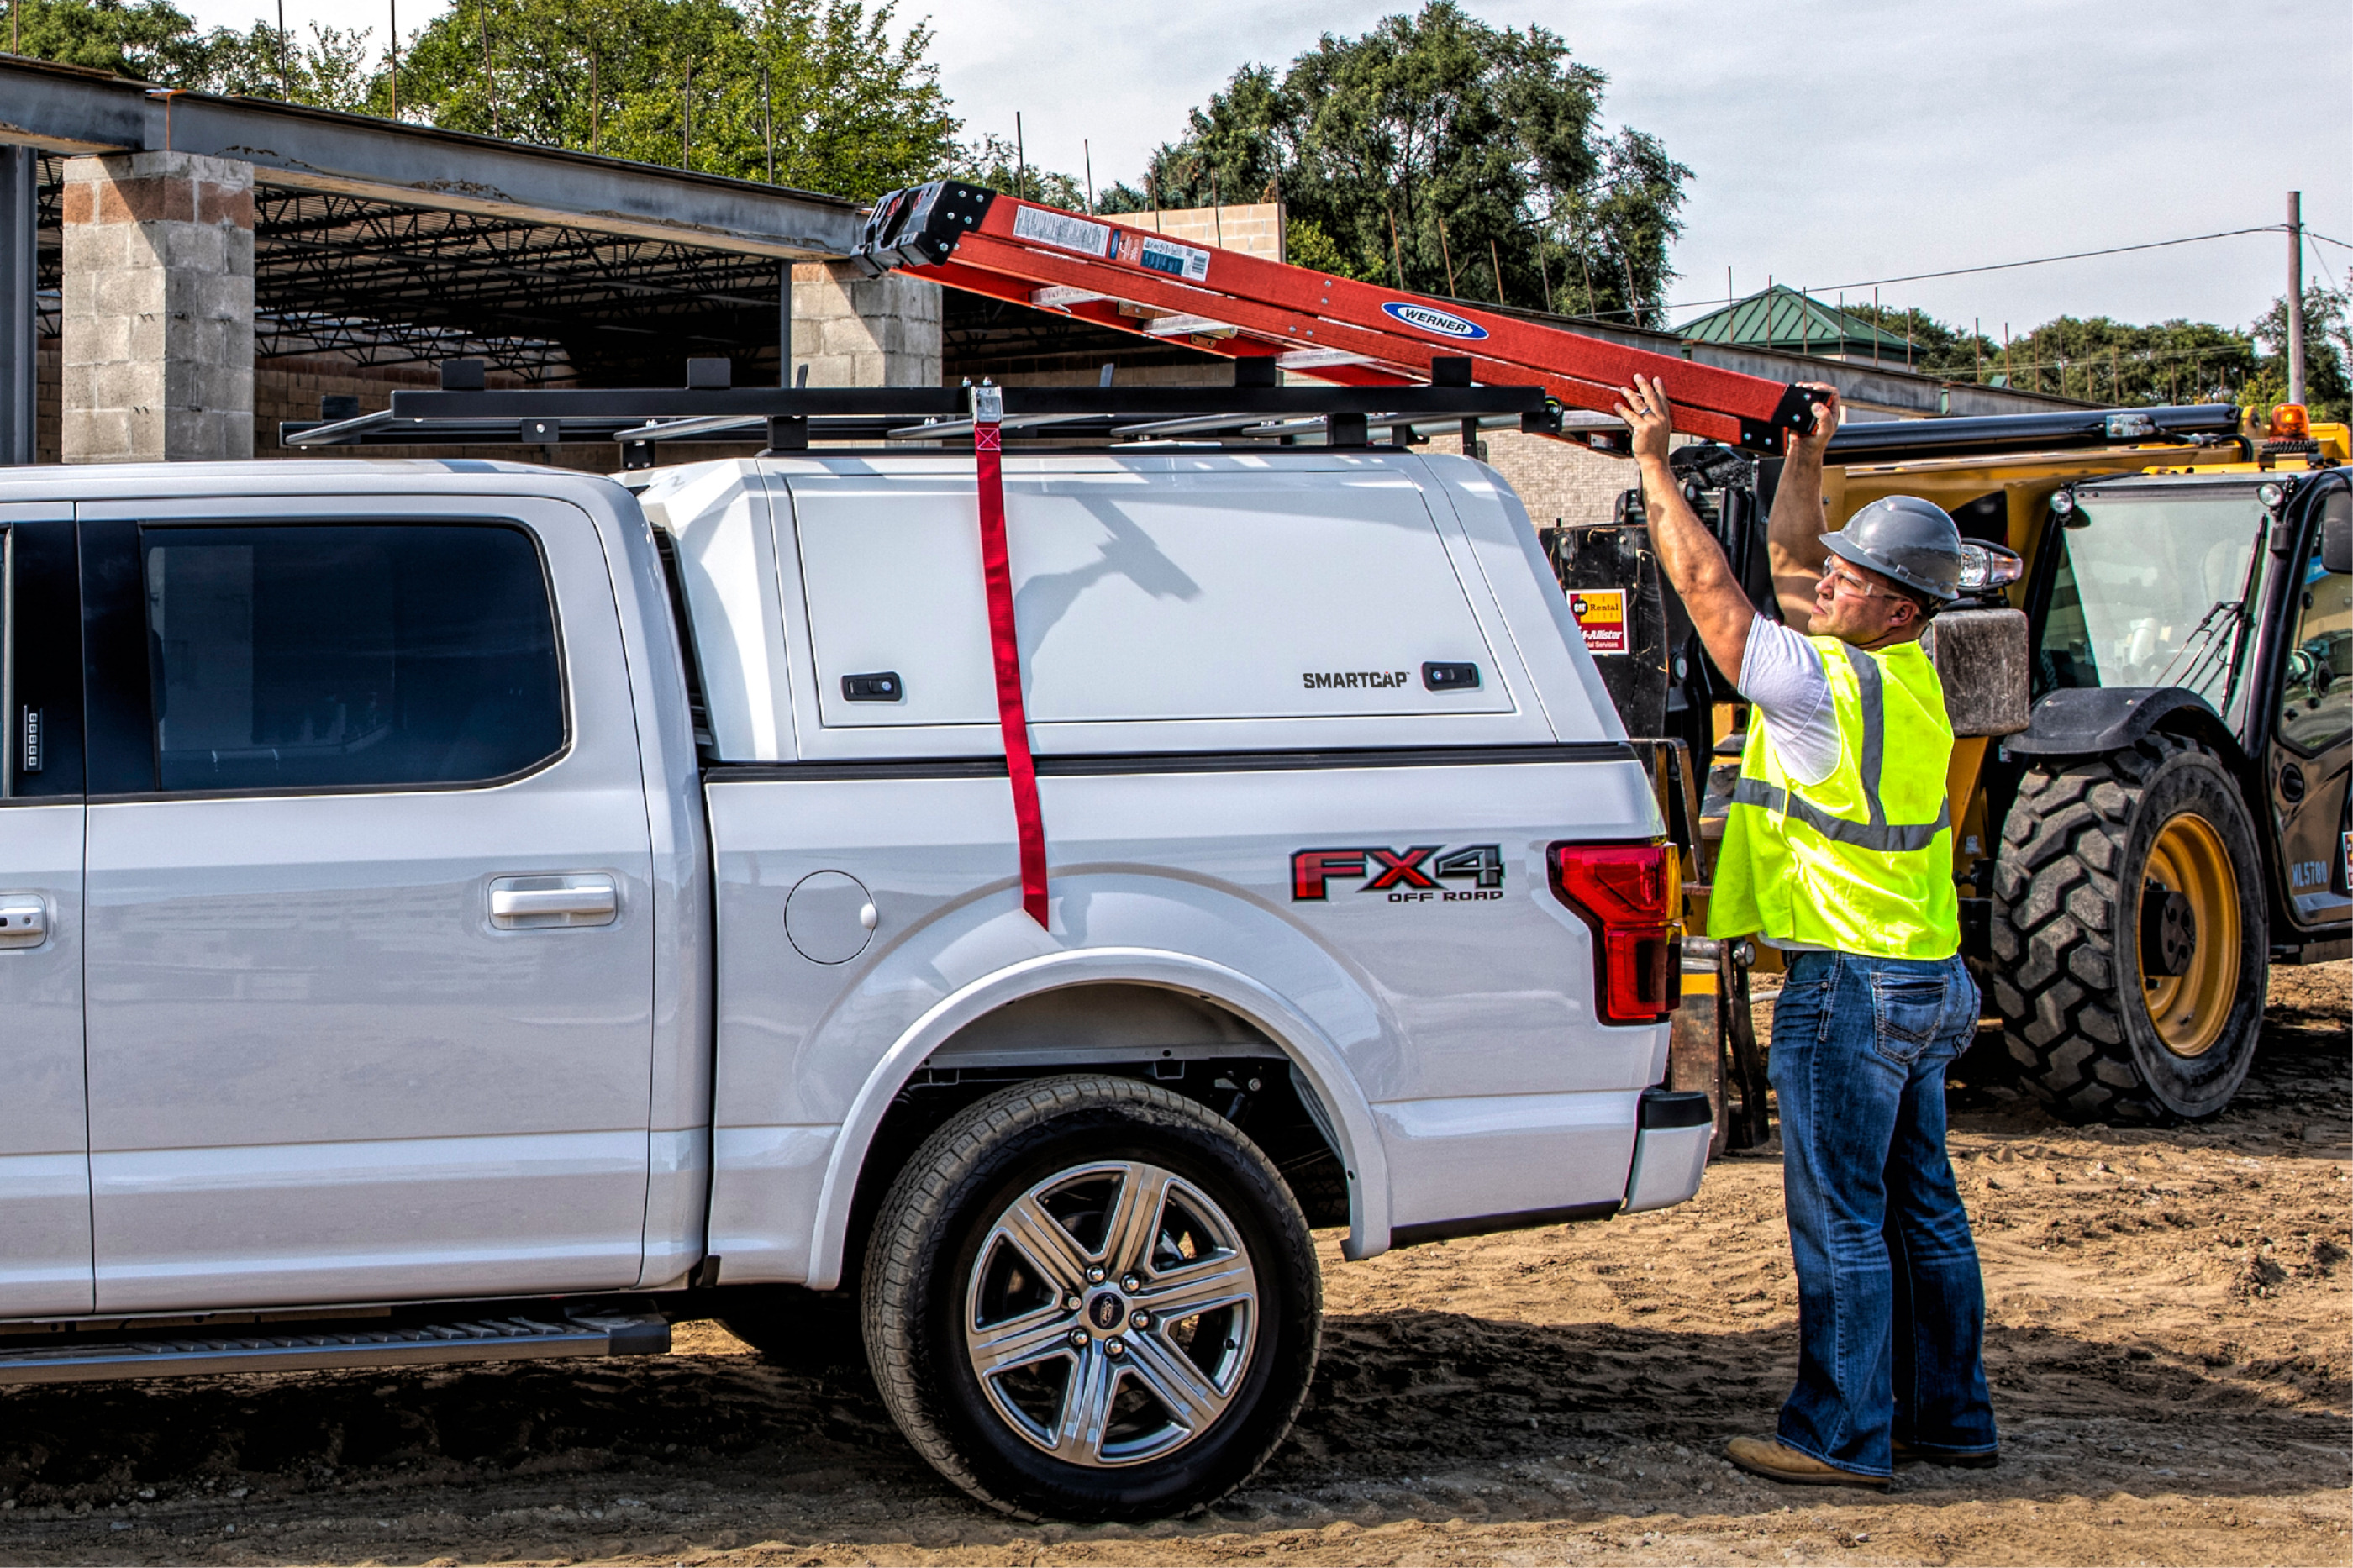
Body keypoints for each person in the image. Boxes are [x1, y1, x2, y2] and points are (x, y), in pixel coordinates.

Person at [1612, 373, 1997, 1490]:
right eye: (1837, 566)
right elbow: (1788, 563)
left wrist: (1653, 464)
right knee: (1924, 1208)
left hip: (1850, 988)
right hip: (1922, 977)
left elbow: (1712, 588)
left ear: (1900, 607)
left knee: (1844, 1220)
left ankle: (1841, 1433)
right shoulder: (1906, 676)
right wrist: (1802, 460)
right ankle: (1950, 1418)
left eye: (1855, 577)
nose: (1829, 582)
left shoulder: (1824, 686)